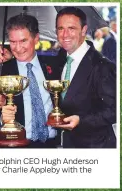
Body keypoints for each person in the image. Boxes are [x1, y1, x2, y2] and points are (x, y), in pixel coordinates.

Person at [0, 14, 64, 148]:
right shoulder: (0, 72)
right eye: (13, 42)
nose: (18, 48)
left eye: (23, 41)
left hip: (52, 145)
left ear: (36, 38)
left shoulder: (55, 66)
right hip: (15, 147)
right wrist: (2, 117)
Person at [54, 7, 116, 148]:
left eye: (71, 28)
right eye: (60, 28)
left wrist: (81, 120)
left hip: (96, 149)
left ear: (83, 30)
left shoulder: (103, 66)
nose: (65, 34)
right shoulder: (59, 60)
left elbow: (113, 110)